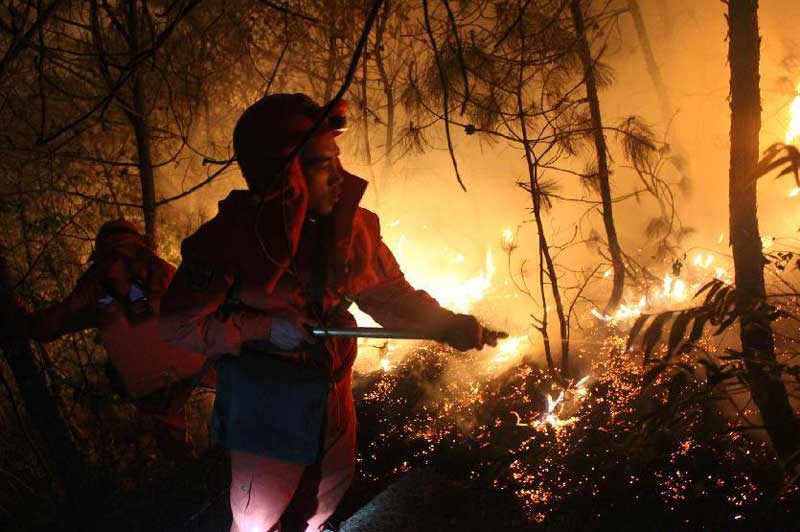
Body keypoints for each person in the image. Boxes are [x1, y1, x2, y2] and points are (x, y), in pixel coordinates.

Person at [158, 93, 498, 532]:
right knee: (258, 519)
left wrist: (445, 324)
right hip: (267, 408)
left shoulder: (350, 229)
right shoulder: (228, 241)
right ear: (283, 173)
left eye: (337, 160)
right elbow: (177, 324)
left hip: (333, 399)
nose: (340, 177)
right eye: (322, 165)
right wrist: (262, 327)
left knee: (322, 501)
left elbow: (389, 293)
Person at [20, 220, 215, 456]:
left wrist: (25, 320)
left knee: (165, 415)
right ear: (139, 240)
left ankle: (188, 470)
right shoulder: (159, 267)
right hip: (192, 357)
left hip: (146, 381)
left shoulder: (93, 284)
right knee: (232, 368)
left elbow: (49, 326)